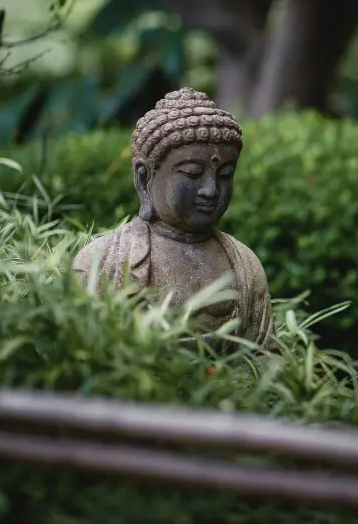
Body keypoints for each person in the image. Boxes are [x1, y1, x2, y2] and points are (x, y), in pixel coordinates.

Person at [72, 87, 275, 349]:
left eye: (225, 175)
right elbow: (79, 357)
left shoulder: (245, 266)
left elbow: (267, 354)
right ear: (144, 178)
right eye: (192, 174)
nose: (210, 190)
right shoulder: (103, 261)